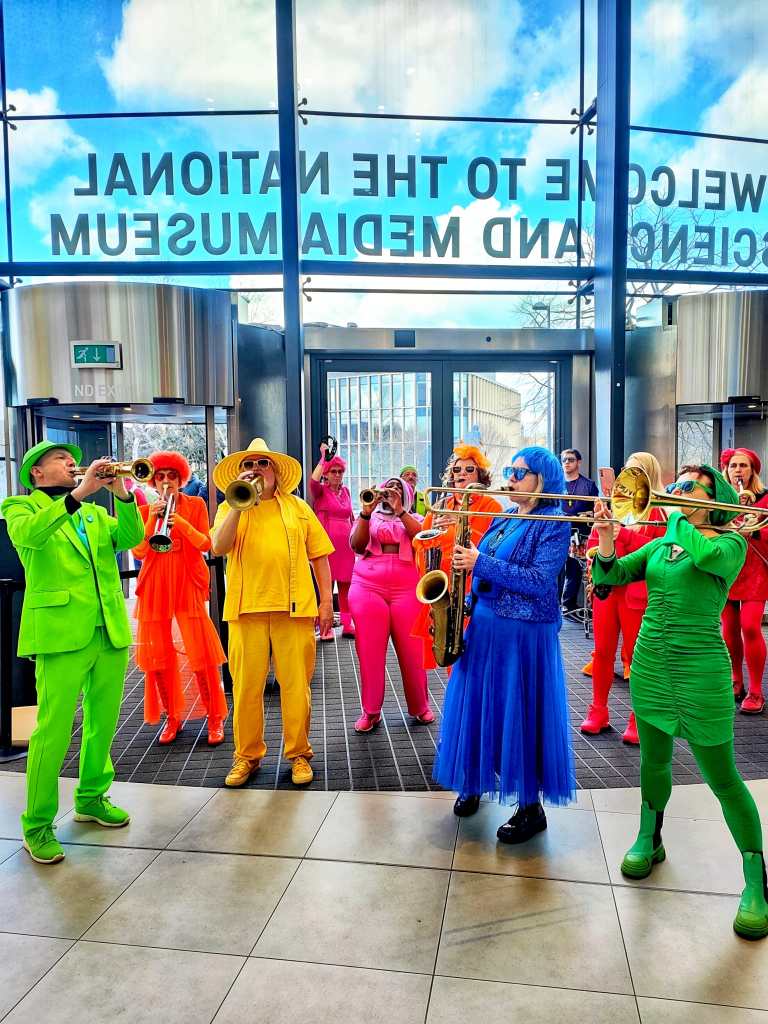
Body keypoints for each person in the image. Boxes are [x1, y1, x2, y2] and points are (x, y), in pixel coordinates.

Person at [592, 464, 768, 940]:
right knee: (653, 762)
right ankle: (650, 838)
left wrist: (676, 520)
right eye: (675, 486)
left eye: (687, 486)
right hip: (650, 664)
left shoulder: (730, 543)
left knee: (723, 777)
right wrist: (607, 539)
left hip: (701, 671)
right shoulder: (665, 541)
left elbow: (708, 556)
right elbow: (613, 577)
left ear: (713, 497)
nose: (673, 492)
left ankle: (756, 879)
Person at [1, 442, 144, 864]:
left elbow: (134, 539)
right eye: (60, 460)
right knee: (52, 730)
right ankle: (37, 823)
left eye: (71, 458)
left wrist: (122, 496)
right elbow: (31, 537)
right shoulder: (19, 508)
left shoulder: (96, 513)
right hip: (60, 633)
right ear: (37, 474)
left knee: (104, 723)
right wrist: (78, 495)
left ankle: (92, 797)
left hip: (108, 628)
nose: (70, 463)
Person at [433, 446, 575, 842]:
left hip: (524, 637)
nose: (511, 476)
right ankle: (474, 779)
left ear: (542, 481)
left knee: (520, 715)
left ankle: (530, 807)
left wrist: (479, 562)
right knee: (479, 708)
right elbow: (479, 564)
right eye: (511, 469)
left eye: (521, 471)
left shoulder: (555, 522)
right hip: (485, 629)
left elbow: (537, 581)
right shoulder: (506, 516)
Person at [212, 438, 334, 787]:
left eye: (262, 464)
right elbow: (219, 546)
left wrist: (326, 602)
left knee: (296, 686)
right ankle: (246, 757)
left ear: (276, 473)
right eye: (248, 465)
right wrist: (237, 505)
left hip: (293, 610)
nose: (255, 470)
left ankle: (299, 754)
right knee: (246, 687)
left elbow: (320, 556)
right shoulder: (227, 508)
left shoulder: (298, 508)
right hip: (245, 610)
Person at [132, 451, 228, 746]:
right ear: (153, 481)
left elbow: (205, 542)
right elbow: (137, 551)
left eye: (170, 477)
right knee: (158, 656)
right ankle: (172, 717)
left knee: (201, 654)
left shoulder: (195, 503)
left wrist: (179, 522)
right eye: (159, 477)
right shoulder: (147, 508)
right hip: (156, 581)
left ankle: (215, 717)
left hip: (186, 580)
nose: (165, 482)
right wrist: (153, 519)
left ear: (180, 478)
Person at [581, 452, 667, 744]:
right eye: (628, 470)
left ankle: (637, 717)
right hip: (609, 593)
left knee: (636, 658)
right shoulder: (614, 506)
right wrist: (600, 542)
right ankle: (598, 711)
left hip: (638, 593)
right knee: (602, 652)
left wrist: (625, 536)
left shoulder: (662, 511)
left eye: (638, 471)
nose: (630, 477)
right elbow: (593, 547)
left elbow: (663, 549)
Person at [348, 476, 432, 733]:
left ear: (406, 494)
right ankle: (370, 711)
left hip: (408, 587)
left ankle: (420, 706)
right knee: (369, 650)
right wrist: (365, 514)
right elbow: (356, 545)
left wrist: (400, 511)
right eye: (388, 487)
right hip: (367, 585)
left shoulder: (417, 518)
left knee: (412, 649)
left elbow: (422, 539)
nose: (392, 491)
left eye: (398, 488)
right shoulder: (369, 516)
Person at [411, 444, 502, 670]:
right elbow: (421, 542)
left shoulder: (492, 506)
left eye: (469, 470)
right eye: (457, 470)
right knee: (450, 656)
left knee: (475, 659)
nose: (461, 474)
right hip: (446, 590)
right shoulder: (441, 505)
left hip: (475, 590)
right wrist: (427, 544)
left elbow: (495, 548)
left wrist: (458, 522)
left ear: (481, 475)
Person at [720, 447, 768, 713]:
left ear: (753, 470)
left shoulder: (765, 499)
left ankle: (757, 690)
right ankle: (735, 680)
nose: (738, 470)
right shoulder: (721, 500)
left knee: (750, 626)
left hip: (755, 571)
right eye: (734, 466)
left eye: (744, 466)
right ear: (727, 470)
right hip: (728, 568)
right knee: (728, 631)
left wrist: (757, 527)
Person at [310, 442, 355, 640]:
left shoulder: (346, 492)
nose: (337, 474)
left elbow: (351, 516)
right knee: (324, 587)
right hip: (326, 546)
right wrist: (323, 459)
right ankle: (325, 628)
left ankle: (347, 624)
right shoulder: (320, 490)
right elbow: (312, 481)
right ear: (326, 474)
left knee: (346, 586)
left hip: (346, 547)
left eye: (340, 471)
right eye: (333, 471)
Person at [560, 448, 599, 612]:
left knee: (575, 568)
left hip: (580, 532)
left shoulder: (588, 485)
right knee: (555, 568)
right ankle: (556, 605)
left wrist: (588, 514)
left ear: (579, 462)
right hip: (559, 530)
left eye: (570, 459)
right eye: (564, 460)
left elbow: (596, 509)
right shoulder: (556, 484)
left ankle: (568, 605)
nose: (567, 463)